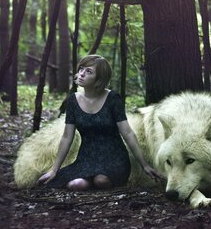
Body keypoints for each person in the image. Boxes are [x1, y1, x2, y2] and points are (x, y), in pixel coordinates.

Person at [37, 54, 162, 190]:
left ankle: (103, 181)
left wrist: (145, 165)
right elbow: (67, 137)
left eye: (89, 71)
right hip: (87, 159)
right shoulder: (73, 100)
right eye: (81, 69)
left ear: (99, 79)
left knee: (101, 181)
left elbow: (128, 133)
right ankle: (87, 181)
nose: (81, 74)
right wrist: (54, 170)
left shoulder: (113, 99)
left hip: (114, 159)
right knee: (76, 185)